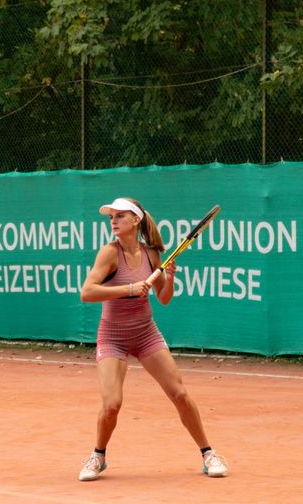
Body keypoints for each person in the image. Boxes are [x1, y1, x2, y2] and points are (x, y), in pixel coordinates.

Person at [77, 197, 227, 481]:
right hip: (113, 336)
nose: (113, 220)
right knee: (111, 404)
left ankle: (208, 454)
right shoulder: (109, 253)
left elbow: (164, 299)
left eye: (120, 216)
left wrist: (169, 279)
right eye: (111, 216)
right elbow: (87, 292)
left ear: (136, 220)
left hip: (146, 334)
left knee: (179, 394)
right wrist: (128, 288)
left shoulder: (152, 255)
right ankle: (98, 456)